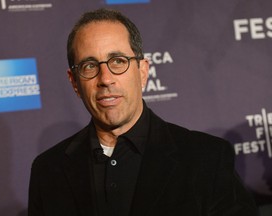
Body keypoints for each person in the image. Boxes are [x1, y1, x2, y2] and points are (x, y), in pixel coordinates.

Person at [28, 8, 258, 216]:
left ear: (143, 72)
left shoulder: (206, 159)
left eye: (118, 61)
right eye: (90, 66)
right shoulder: (47, 171)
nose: (105, 79)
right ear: (74, 82)